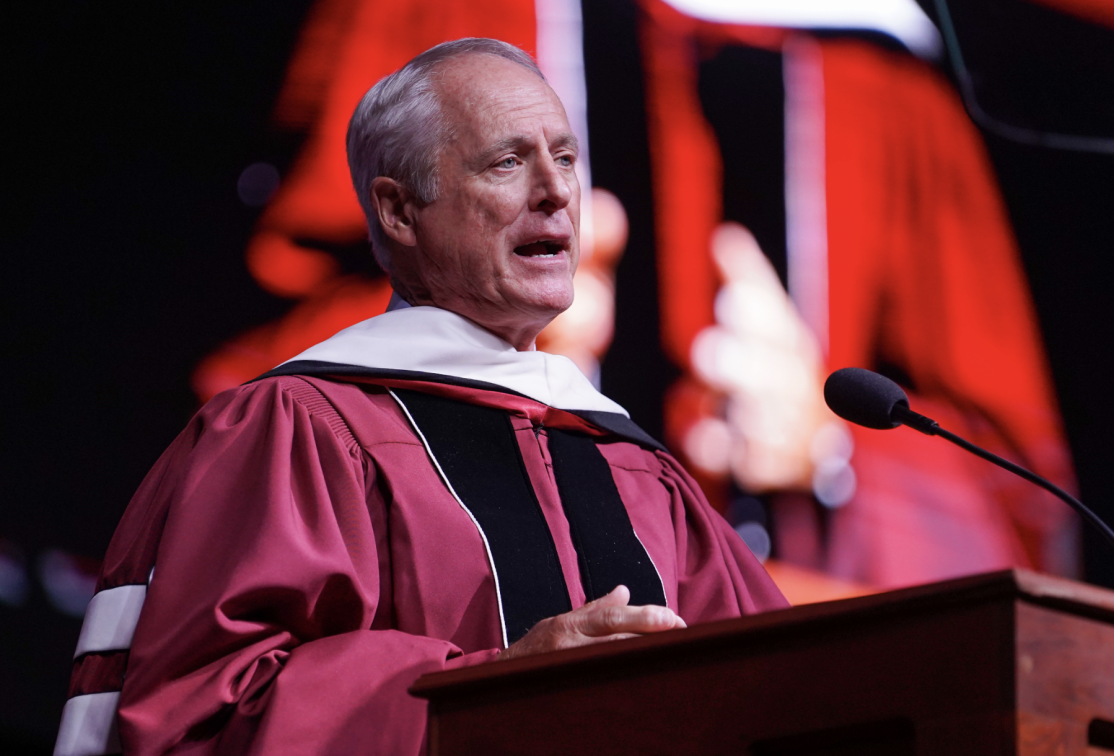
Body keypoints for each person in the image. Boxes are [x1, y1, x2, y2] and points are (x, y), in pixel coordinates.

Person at [54, 38, 787, 756]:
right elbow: (202, 714)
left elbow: (789, 690)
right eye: (508, 161)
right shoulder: (297, 431)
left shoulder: (636, 468)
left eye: (565, 157)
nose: (559, 191)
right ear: (400, 212)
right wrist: (493, 693)